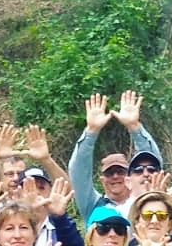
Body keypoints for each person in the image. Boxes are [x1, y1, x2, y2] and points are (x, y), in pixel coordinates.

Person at [69, 90, 162, 218]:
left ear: (130, 177)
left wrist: (134, 126)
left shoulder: (144, 202)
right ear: (102, 180)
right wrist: (91, 131)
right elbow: (79, 172)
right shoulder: (92, 205)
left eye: (121, 171)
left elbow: (152, 165)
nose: (115, 176)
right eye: (109, 173)